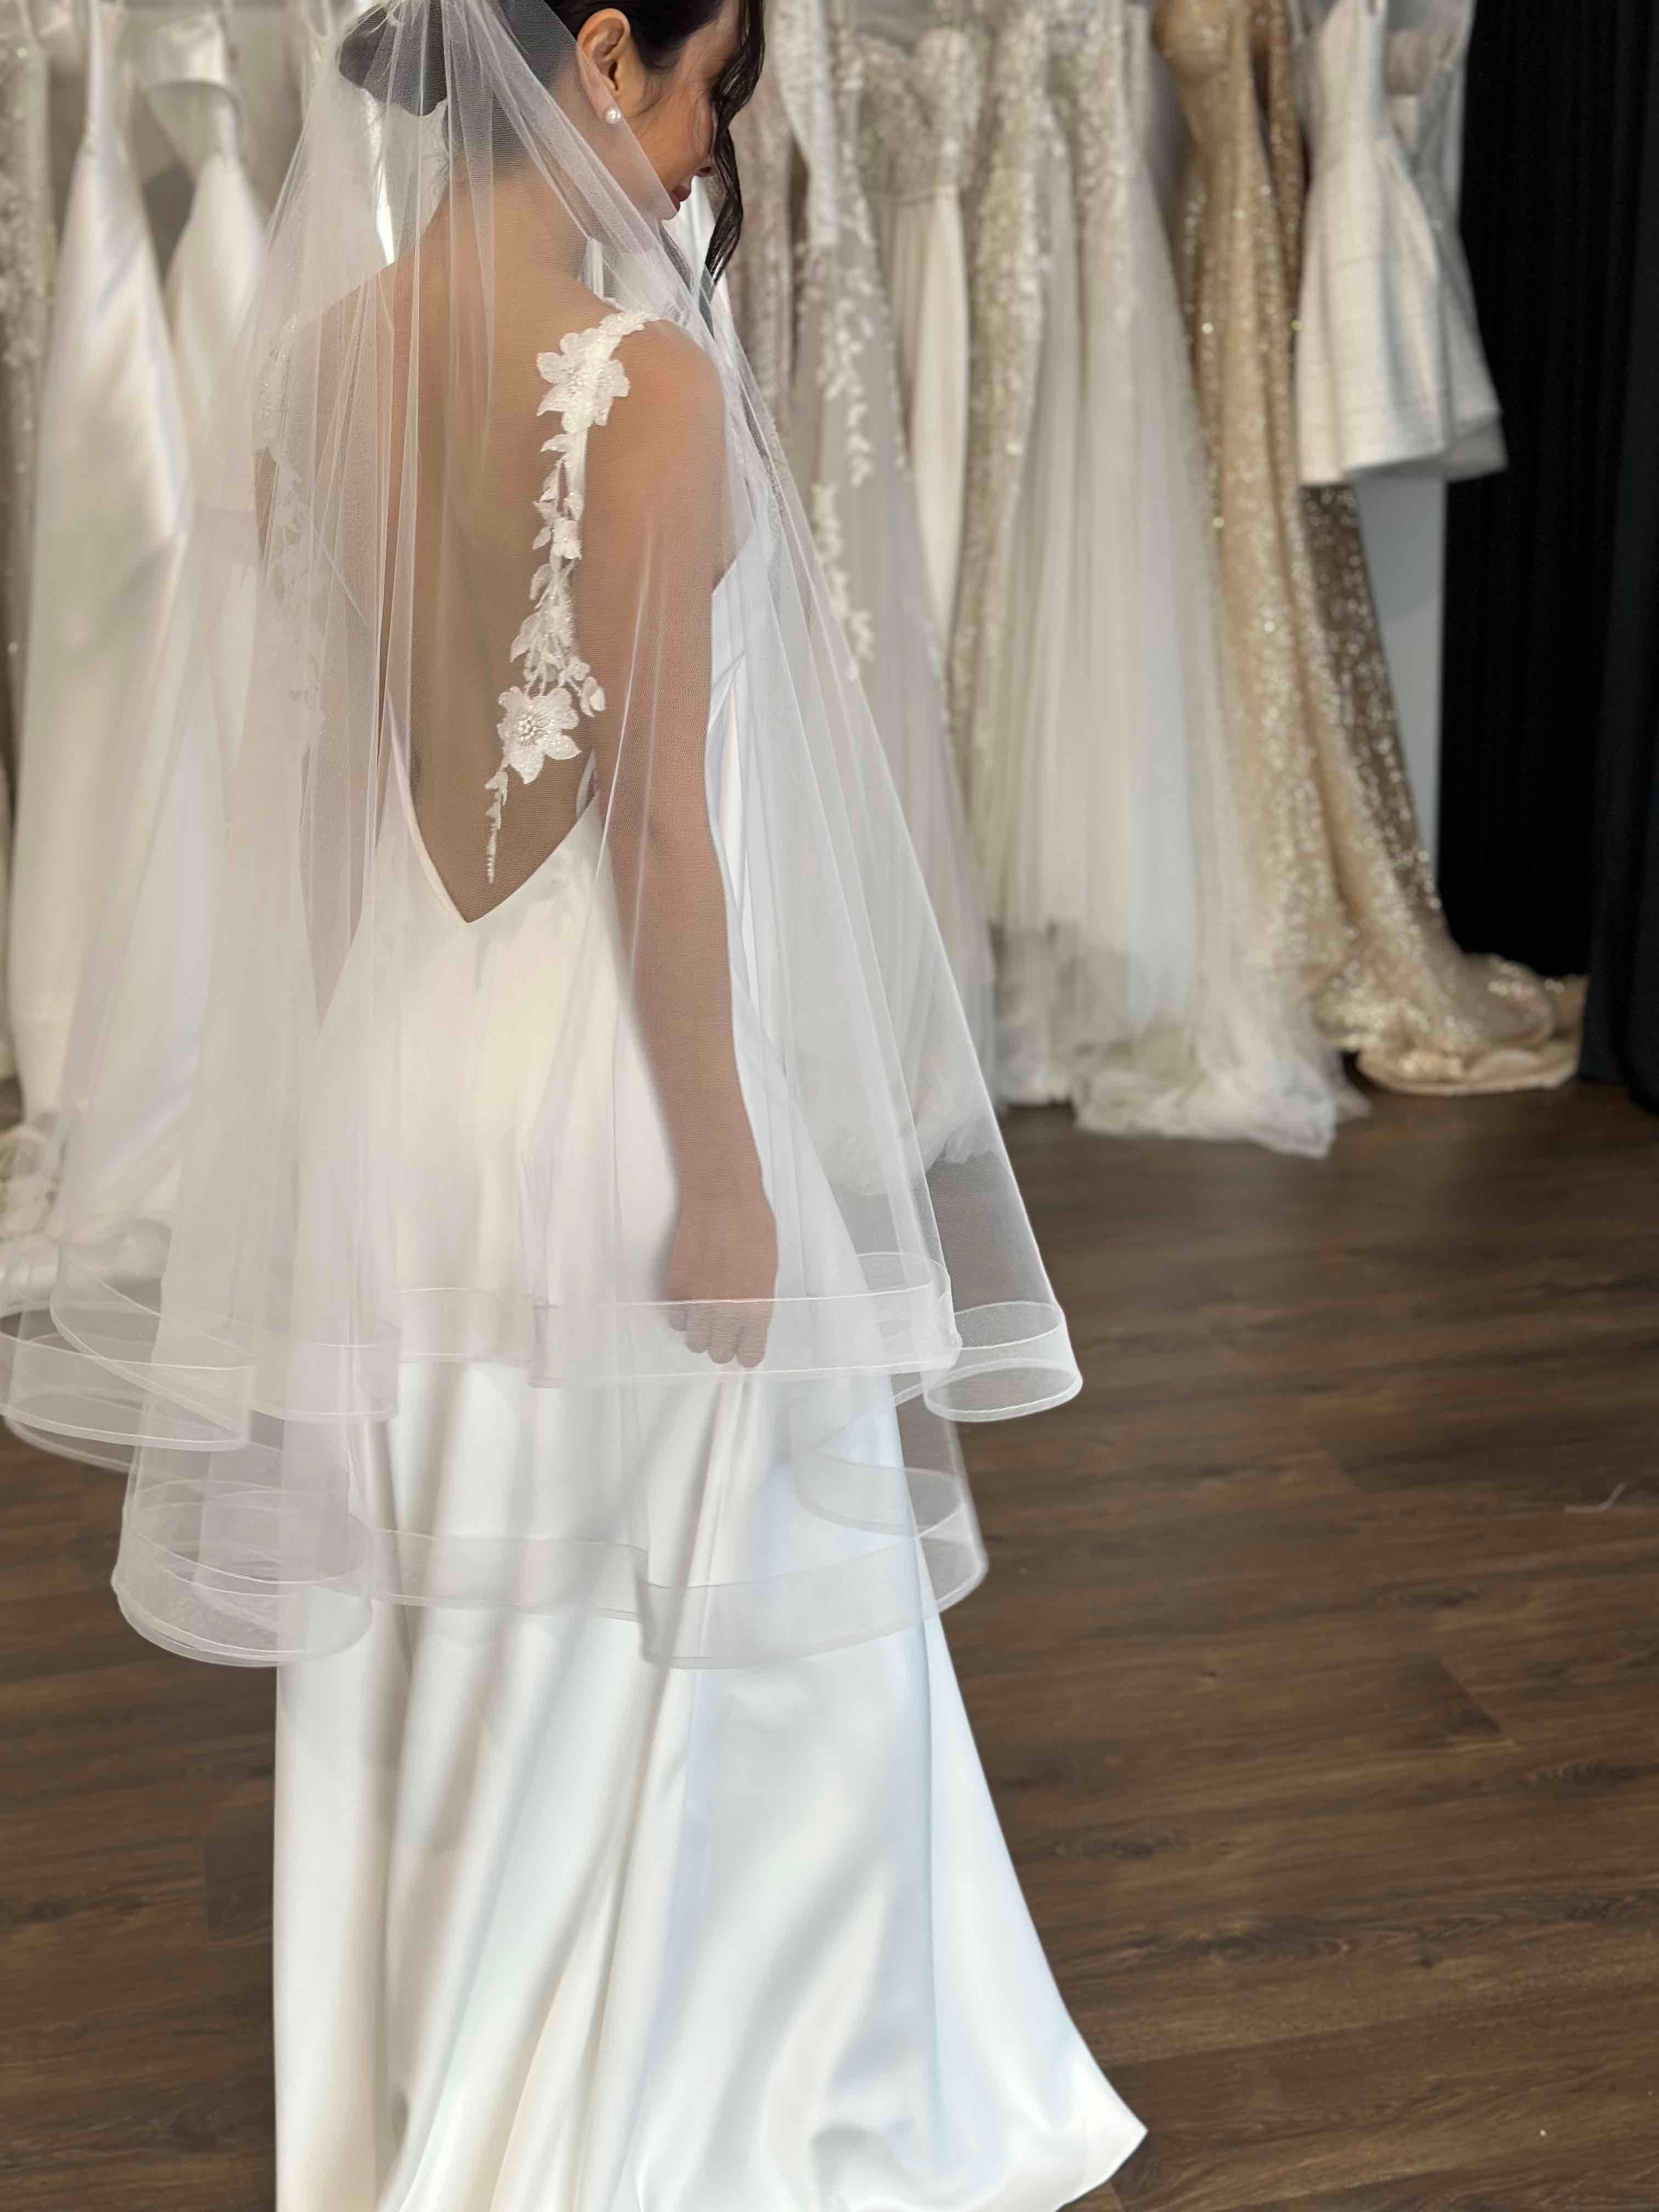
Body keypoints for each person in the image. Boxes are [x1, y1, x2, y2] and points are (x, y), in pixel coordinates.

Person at [0, 0, 1147, 2201]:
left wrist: (318, 1132)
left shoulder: (328, 359)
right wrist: (728, 1177)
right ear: (607, 58)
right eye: (714, 85)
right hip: (599, 1096)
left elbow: (324, 805)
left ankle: (438, 2099)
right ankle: (707, 2118)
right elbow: (648, 832)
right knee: (723, 1604)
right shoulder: (645, 390)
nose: (714, 146)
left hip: (396, 1084)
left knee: (457, 1606)